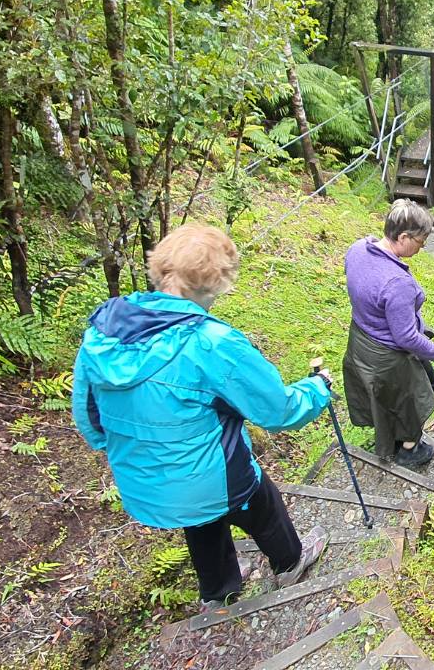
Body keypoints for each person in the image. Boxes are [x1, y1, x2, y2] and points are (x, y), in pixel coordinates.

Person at [71, 225, 333, 610]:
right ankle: (291, 562)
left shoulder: (105, 330)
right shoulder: (211, 343)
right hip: (211, 479)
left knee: (201, 521)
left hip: (144, 480)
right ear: (217, 282)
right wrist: (318, 389)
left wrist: (126, 450)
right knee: (260, 503)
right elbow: (277, 411)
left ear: (161, 267)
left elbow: (88, 413)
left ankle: (219, 592)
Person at [342, 199, 434, 468]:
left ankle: (393, 435)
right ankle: (408, 449)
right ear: (403, 236)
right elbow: (406, 337)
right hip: (388, 356)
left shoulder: (358, 249)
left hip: (361, 342)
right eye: (420, 241)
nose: (422, 247)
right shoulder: (397, 283)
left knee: (390, 396)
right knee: (415, 395)